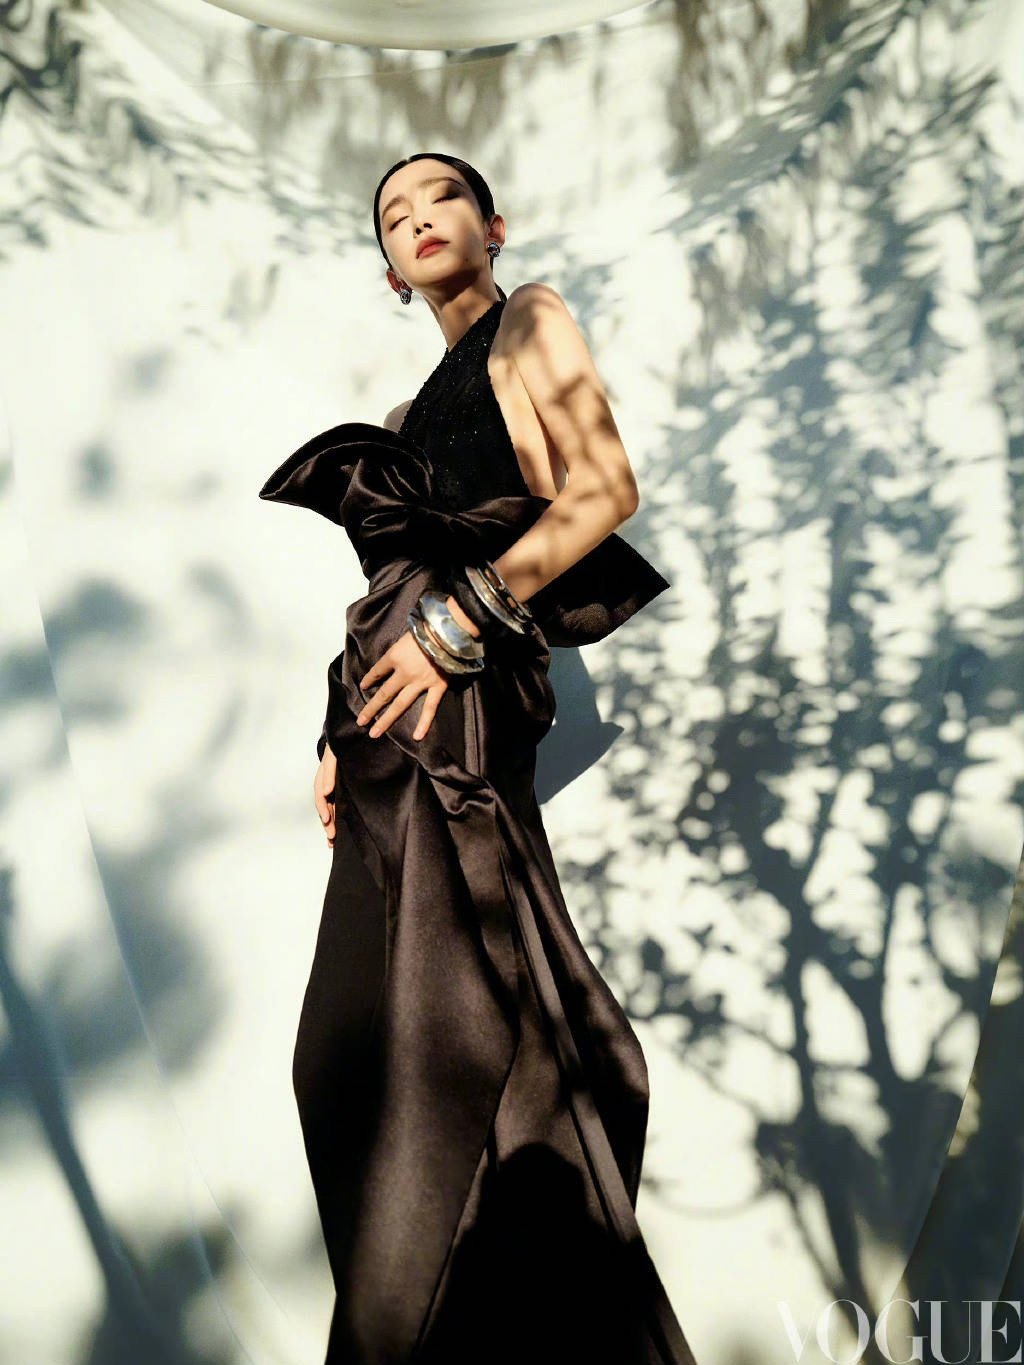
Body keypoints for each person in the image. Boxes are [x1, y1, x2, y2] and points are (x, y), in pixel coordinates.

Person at [259, 153, 699, 1365]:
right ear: (389, 274)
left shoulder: (530, 319)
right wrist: (338, 726)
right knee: (349, 1047)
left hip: (463, 704)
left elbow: (604, 490)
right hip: (384, 725)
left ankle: (433, 1335)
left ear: (492, 225)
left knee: (445, 1029)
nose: (416, 221)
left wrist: (462, 627)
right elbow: (391, 586)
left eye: (439, 199)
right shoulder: (406, 422)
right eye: (393, 218)